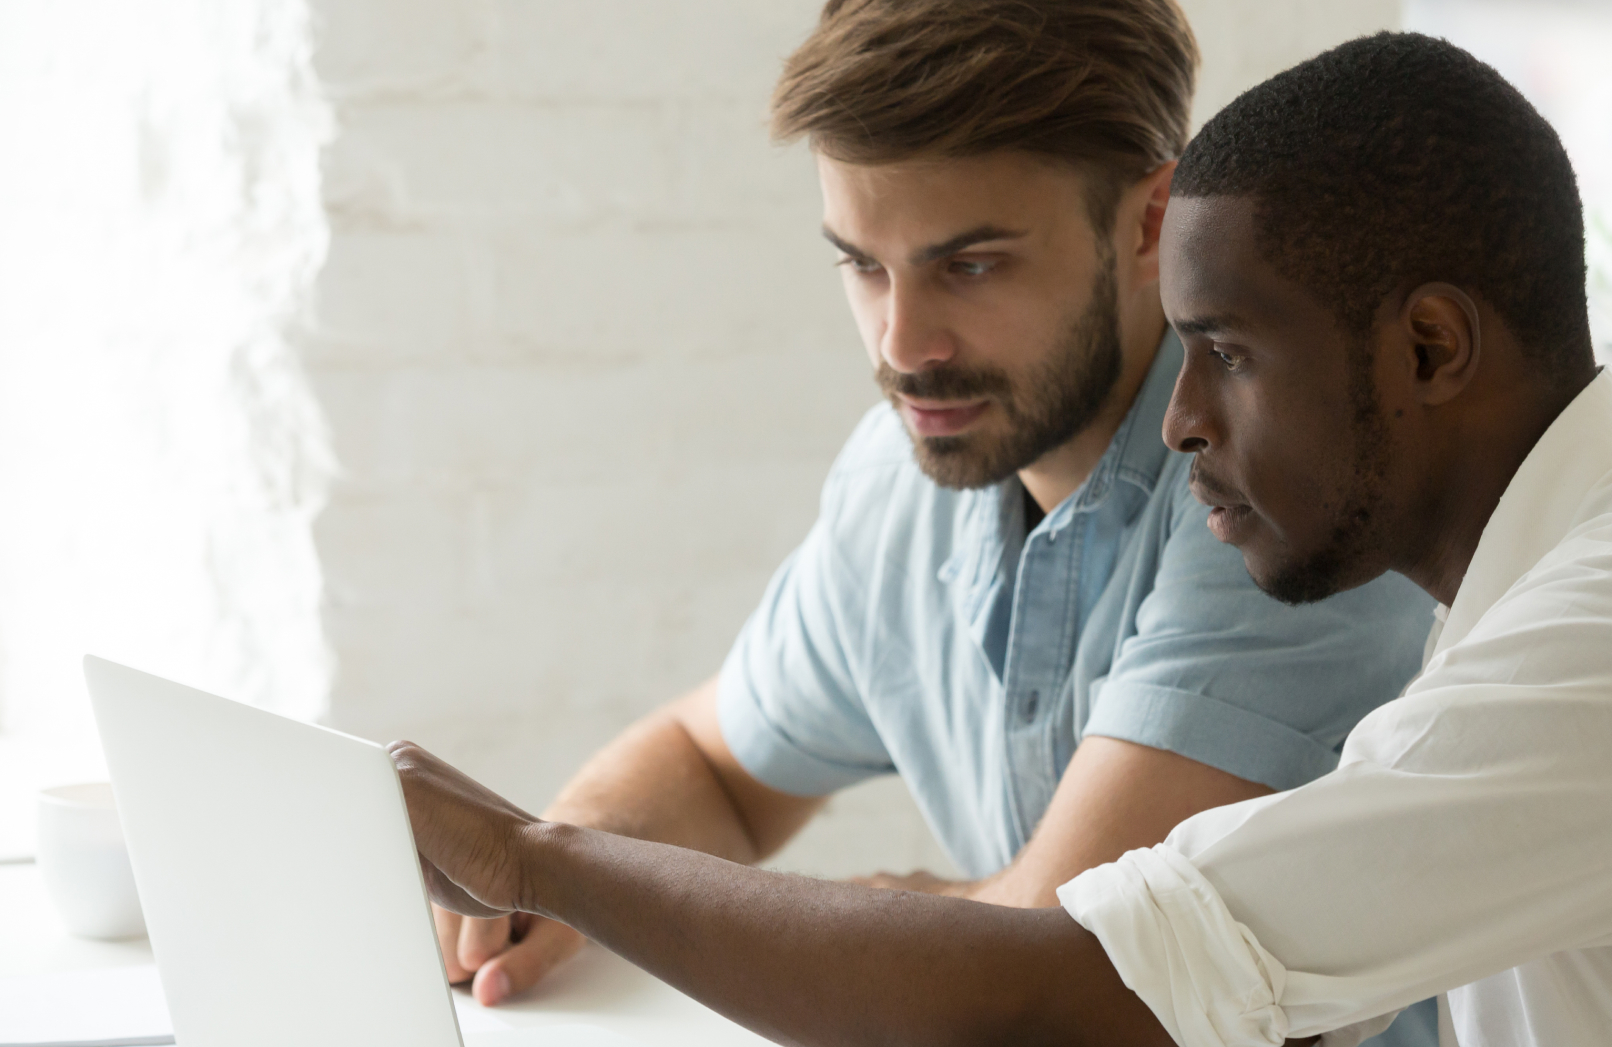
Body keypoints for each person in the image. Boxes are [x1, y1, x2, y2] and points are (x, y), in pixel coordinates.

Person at [393, 32, 1612, 1046]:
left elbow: (1055, 989)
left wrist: (548, 860)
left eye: (1226, 353)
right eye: (863, 268)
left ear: (1432, 351)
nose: (1182, 419)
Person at [431, 4, 1437, 1043]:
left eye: (970, 264)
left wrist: (579, 873)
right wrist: (559, 875)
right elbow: (714, 767)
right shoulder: (900, 481)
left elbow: (1062, 971)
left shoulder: (1280, 497)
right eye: (862, 264)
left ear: (1152, 224)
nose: (903, 344)